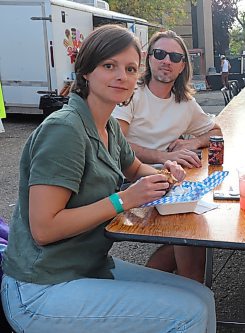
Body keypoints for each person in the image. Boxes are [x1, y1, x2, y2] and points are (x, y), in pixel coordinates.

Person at [1, 25, 216, 333]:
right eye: (109, 66)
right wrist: (124, 200)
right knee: (189, 313)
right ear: (86, 70)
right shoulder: (65, 130)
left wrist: (166, 173)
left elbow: (136, 168)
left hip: (87, 268)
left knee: (201, 297)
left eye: (130, 68)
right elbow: (44, 229)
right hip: (40, 288)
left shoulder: (108, 126)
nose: (122, 76)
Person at [112, 30, 222, 283]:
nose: (167, 61)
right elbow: (119, 145)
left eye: (175, 56)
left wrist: (191, 141)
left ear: (183, 65)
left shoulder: (185, 102)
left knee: (199, 222)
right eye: (160, 54)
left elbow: (216, 131)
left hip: (170, 180)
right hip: (131, 181)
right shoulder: (131, 93)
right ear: (148, 58)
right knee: (193, 225)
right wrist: (164, 156)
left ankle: (152, 289)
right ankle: (192, 296)